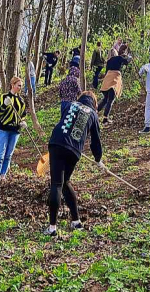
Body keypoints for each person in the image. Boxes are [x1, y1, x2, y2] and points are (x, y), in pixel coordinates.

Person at [45, 91, 103, 236]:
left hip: (57, 143)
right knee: (65, 183)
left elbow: (65, 122)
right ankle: (76, 222)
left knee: (57, 184)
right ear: (94, 103)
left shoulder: (71, 105)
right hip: (74, 150)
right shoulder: (93, 114)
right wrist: (98, 158)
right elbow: (96, 140)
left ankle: (52, 228)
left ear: (81, 98)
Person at [0, 77, 27, 191]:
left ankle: (3, 176)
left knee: (8, 155)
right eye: (18, 85)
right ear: (12, 85)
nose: (20, 88)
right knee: (0, 155)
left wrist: (23, 122)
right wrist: (4, 105)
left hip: (15, 131)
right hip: (3, 129)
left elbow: (23, 115)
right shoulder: (3, 97)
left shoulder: (21, 101)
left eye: (21, 86)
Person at [98, 49, 131, 124]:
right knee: (110, 100)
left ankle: (95, 111)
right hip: (114, 80)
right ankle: (105, 118)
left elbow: (106, 72)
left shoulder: (109, 61)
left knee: (105, 100)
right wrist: (129, 57)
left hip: (107, 81)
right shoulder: (118, 58)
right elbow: (126, 62)